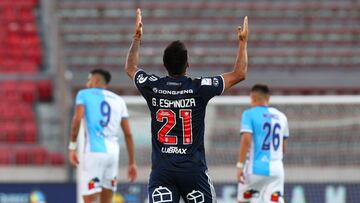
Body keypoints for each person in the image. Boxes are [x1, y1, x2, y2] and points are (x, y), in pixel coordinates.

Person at [125, 8, 248, 203]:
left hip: (162, 171)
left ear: (164, 65)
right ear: (187, 64)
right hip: (193, 172)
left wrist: (137, 38)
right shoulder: (199, 88)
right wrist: (242, 43)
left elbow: (130, 68)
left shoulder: (153, 86)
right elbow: (239, 74)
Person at [68, 69, 137, 203]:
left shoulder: (84, 94)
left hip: (94, 153)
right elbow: (128, 134)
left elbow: (76, 120)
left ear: (96, 80)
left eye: (89, 80)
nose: (87, 84)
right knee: (107, 200)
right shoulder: (119, 100)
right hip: (113, 155)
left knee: (89, 198)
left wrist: (72, 147)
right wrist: (132, 162)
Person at [236, 84, 289, 203]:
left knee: (243, 201)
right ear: (268, 98)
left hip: (256, 168)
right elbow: (283, 147)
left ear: (253, 98)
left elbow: (246, 139)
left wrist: (240, 165)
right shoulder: (282, 117)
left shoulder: (249, 114)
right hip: (277, 170)